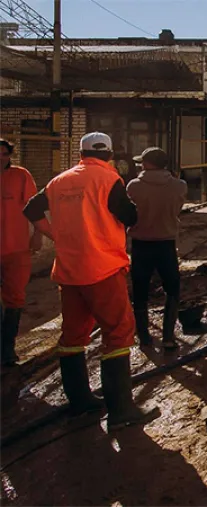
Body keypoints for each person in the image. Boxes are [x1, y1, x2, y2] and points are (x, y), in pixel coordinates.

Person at [24, 132, 157, 429]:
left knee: (72, 337)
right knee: (118, 333)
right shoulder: (108, 180)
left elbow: (30, 209)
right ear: (109, 154)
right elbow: (130, 216)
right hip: (102, 269)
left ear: (82, 153)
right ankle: (121, 411)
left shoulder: (59, 182)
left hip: (69, 273)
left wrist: (53, 234)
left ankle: (80, 402)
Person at [127, 147, 187, 350]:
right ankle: (168, 337)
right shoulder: (179, 186)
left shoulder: (133, 186)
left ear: (146, 164)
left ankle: (144, 338)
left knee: (140, 292)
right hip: (166, 244)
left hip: (141, 245)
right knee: (172, 289)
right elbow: (177, 209)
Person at [0, 139, 42, 367]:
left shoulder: (21, 176)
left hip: (16, 249)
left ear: (10, 156)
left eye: (4, 154)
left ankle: (7, 349)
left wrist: (38, 233)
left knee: (15, 298)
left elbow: (34, 206)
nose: (0, 158)